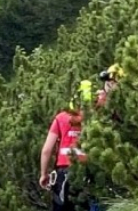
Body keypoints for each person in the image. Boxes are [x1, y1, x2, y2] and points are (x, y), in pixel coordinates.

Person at [40, 80, 94, 211]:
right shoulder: (94, 117)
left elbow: (47, 150)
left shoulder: (61, 118)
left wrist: (44, 174)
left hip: (64, 172)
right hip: (88, 172)